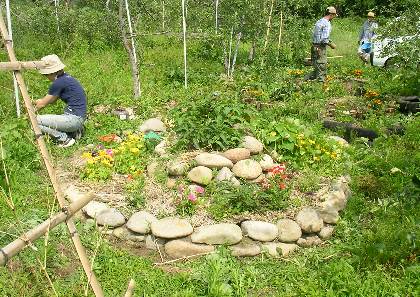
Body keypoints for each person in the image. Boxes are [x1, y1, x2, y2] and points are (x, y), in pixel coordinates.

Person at [35, 54, 87, 148]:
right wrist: (37, 101)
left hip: (73, 119)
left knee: (34, 121)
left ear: (52, 73)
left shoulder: (58, 83)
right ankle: (75, 131)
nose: (47, 77)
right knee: (39, 120)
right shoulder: (66, 78)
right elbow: (52, 100)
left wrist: (28, 114)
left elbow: (42, 104)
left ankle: (64, 139)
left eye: (46, 75)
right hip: (78, 118)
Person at [304, 6, 338, 82]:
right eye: (334, 16)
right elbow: (324, 39)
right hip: (320, 48)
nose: (334, 18)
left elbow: (315, 35)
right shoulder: (327, 23)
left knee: (317, 67)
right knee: (322, 68)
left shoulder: (319, 21)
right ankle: (320, 87)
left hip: (314, 47)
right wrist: (331, 44)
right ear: (331, 14)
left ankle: (305, 79)